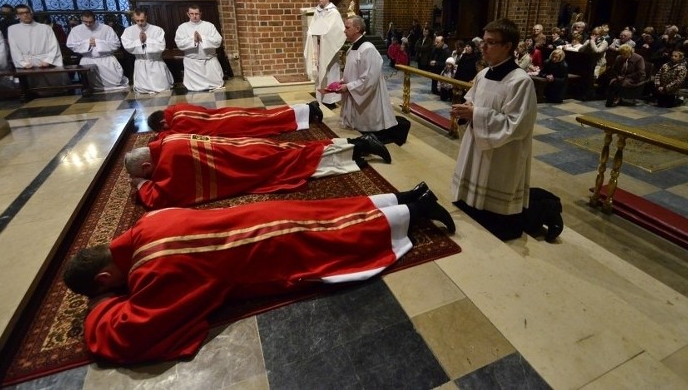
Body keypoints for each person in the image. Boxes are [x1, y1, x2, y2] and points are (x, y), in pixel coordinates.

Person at [62, 186, 454, 364]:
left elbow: (127, 336)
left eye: (108, 287)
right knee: (328, 213)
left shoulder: (155, 273)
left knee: (337, 244)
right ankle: (404, 196)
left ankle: (415, 214)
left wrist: (100, 307)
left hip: (264, 249)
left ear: (103, 278)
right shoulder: (147, 223)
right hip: (257, 215)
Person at [124, 131, 391, 209]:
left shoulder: (169, 161)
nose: (151, 177)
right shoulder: (165, 142)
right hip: (244, 146)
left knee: (299, 163)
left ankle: (359, 146)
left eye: (148, 173)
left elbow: (159, 198)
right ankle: (355, 146)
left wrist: (140, 183)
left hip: (247, 163)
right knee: (298, 152)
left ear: (148, 165)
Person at [450, 19, 540, 234]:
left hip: (502, 152)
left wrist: (476, 114)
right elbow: (472, 101)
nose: (484, 47)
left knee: (494, 205)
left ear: (508, 46)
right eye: (484, 42)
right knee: (470, 200)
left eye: (490, 43)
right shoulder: (482, 74)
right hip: (476, 143)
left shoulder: (520, 81)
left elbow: (517, 125)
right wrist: (466, 110)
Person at [331, 15, 409, 145]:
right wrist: (344, 81)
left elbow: (368, 80)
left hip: (369, 96)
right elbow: (354, 70)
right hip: (356, 90)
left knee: (371, 126)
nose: (344, 30)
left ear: (357, 28)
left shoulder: (368, 49)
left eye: (347, 27)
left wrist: (348, 87)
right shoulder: (353, 47)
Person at [146, 101, 323, 136]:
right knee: (266, 115)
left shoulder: (178, 123)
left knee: (268, 122)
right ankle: (305, 108)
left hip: (228, 125)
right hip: (226, 113)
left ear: (163, 122)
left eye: (163, 129)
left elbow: (176, 137)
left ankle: (307, 109)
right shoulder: (177, 107)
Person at [7, 4, 70, 91]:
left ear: (31, 13)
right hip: (27, 62)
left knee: (53, 87)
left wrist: (48, 60)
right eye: (21, 13)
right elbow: (14, 48)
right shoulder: (12, 29)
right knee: (32, 88)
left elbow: (54, 45)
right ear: (17, 16)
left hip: (44, 61)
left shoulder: (45, 28)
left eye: (27, 12)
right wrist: (23, 63)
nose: (25, 15)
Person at [66, 11, 130, 92]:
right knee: (91, 84)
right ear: (82, 19)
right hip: (88, 59)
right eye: (85, 22)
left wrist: (98, 43)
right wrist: (87, 43)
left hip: (106, 59)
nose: (88, 24)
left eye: (90, 22)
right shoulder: (76, 30)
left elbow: (116, 44)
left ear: (95, 19)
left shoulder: (106, 29)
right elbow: (71, 45)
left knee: (114, 83)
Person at [304, 0, 344, 107]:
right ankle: (320, 96)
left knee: (330, 72)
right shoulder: (318, 11)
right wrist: (311, 34)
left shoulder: (334, 12)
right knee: (320, 72)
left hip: (329, 49)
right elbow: (313, 28)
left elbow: (336, 31)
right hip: (319, 47)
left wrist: (322, 35)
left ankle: (331, 99)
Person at [120, 9, 174, 94]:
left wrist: (147, 40)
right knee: (142, 89)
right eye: (137, 20)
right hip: (141, 62)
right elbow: (127, 45)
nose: (140, 23)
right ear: (133, 18)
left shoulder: (157, 30)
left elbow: (161, 46)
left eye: (142, 20)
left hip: (155, 62)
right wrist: (140, 42)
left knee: (162, 88)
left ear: (146, 17)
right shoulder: (128, 31)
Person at [175, 5, 224, 91]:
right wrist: (193, 40)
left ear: (200, 14)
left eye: (196, 13)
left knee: (216, 84)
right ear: (188, 14)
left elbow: (218, 41)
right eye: (192, 13)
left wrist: (203, 39)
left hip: (209, 61)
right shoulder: (182, 27)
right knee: (193, 89)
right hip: (192, 64)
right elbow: (179, 43)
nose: (194, 16)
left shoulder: (209, 26)